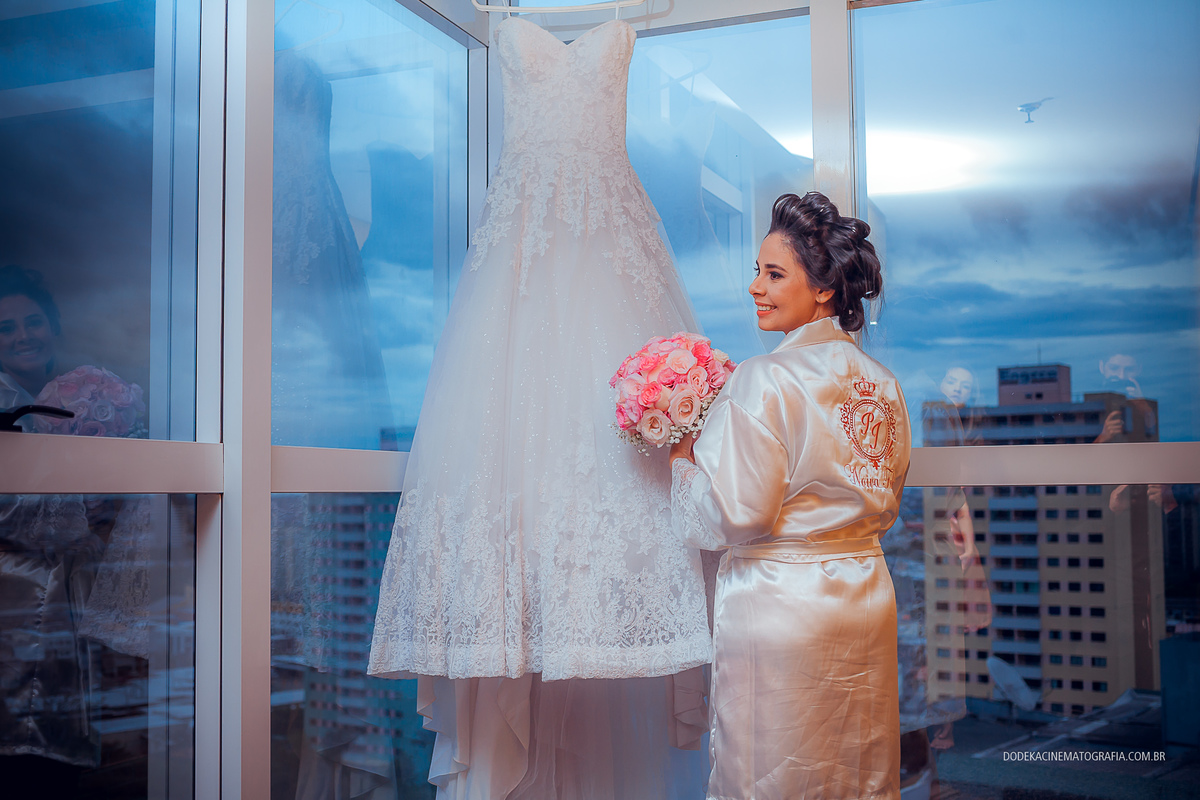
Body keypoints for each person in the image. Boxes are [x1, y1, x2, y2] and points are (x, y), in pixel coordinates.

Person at [669, 192, 912, 800]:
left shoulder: (765, 377)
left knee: (770, 774)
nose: (755, 286)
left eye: (774, 274)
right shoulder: (884, 385)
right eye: (758, 271)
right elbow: (887, 492)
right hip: (865, 595)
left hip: (781, 603)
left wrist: (681, 465)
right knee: (856, 768)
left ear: (825, 288)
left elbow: (736, 516)